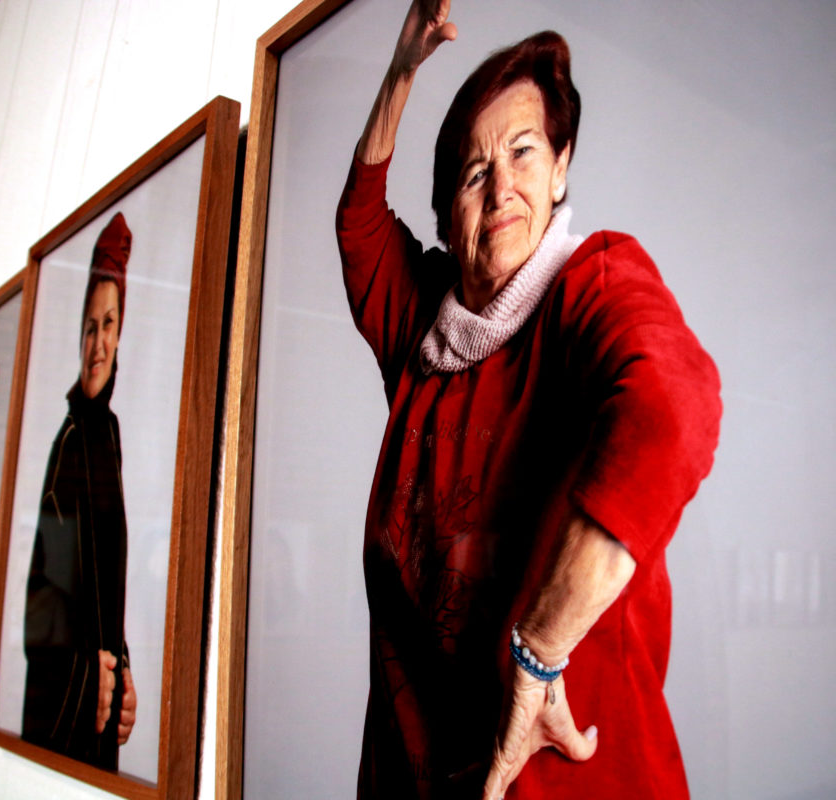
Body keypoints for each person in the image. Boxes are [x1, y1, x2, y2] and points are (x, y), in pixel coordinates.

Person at [336, 2, 722, 797]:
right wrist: (402, 71)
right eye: (475, 174)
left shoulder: (592, 286)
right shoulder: (424, 333)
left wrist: (539, 649)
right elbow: (361, 223)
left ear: (560, 168)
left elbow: (672, 408)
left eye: (523, 152)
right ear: (449, 215)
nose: (503, 186)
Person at [21, 212, 137, 770]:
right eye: (90, 327)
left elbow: (102, 583)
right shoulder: (70, 443)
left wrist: (123, 672)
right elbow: (47, 597)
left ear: (121, 333)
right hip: (67, 720)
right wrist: (89, 674)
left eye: (108, 324)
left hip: (97, 708)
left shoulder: (107, 435)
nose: (98, 343)